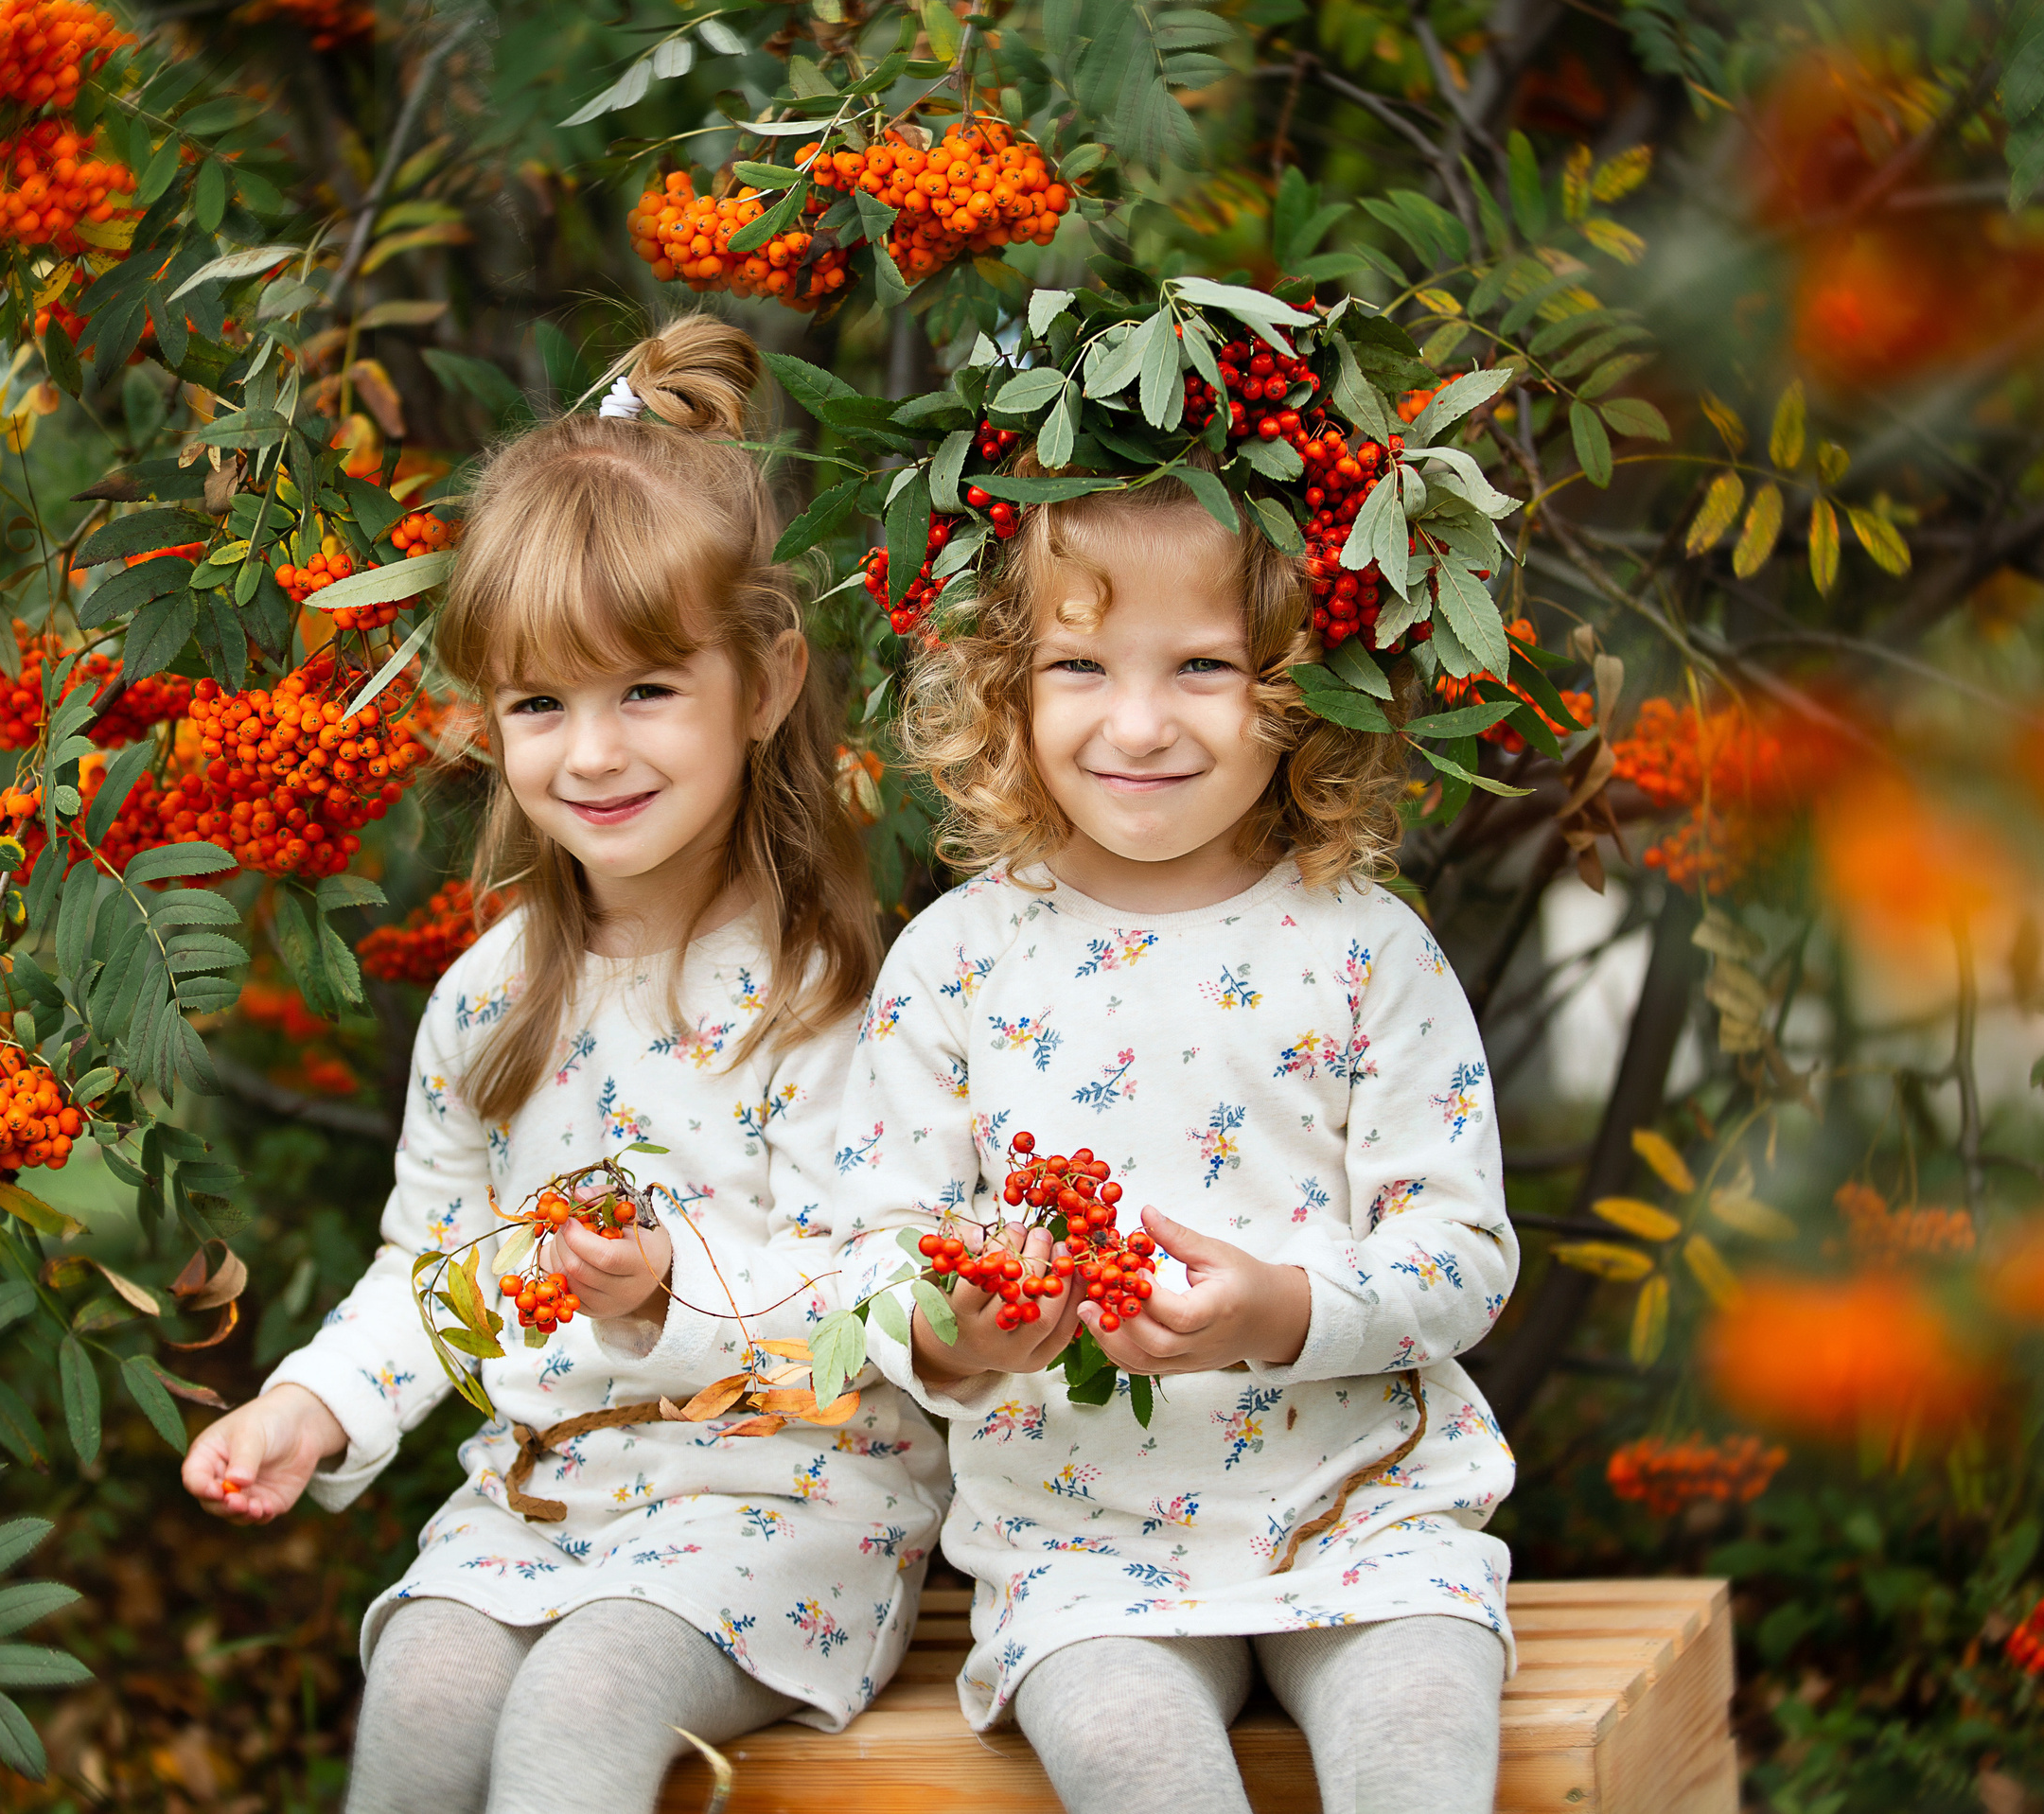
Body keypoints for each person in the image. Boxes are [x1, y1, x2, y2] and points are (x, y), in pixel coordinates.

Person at [181, 318, 948, 1814]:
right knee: (423, 1684)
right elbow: (437, 1268)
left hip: (788, 1500)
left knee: (579, 1703)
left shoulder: (835, 995)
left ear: (767, 678)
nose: (589, 752)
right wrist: (314, 1402)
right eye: (540, 703)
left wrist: (673, 1286)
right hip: (548, 1492)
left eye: (645, 689)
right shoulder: (490, 997)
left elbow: (884, 1292)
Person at [830, 471, 1517, 1814]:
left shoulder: (1363, 945)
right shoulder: (958, 959)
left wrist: (1285, 1308)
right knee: (1139, 1762)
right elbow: (867, 1253)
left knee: (1423, 1735)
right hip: (1086, 1541)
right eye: (1080, 662)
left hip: (1362, 1507)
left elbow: (1466, 1253)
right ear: (1004, 684)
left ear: (1303, 686)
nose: (1137, 722)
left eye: (1203, 664)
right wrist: (955, 1331)